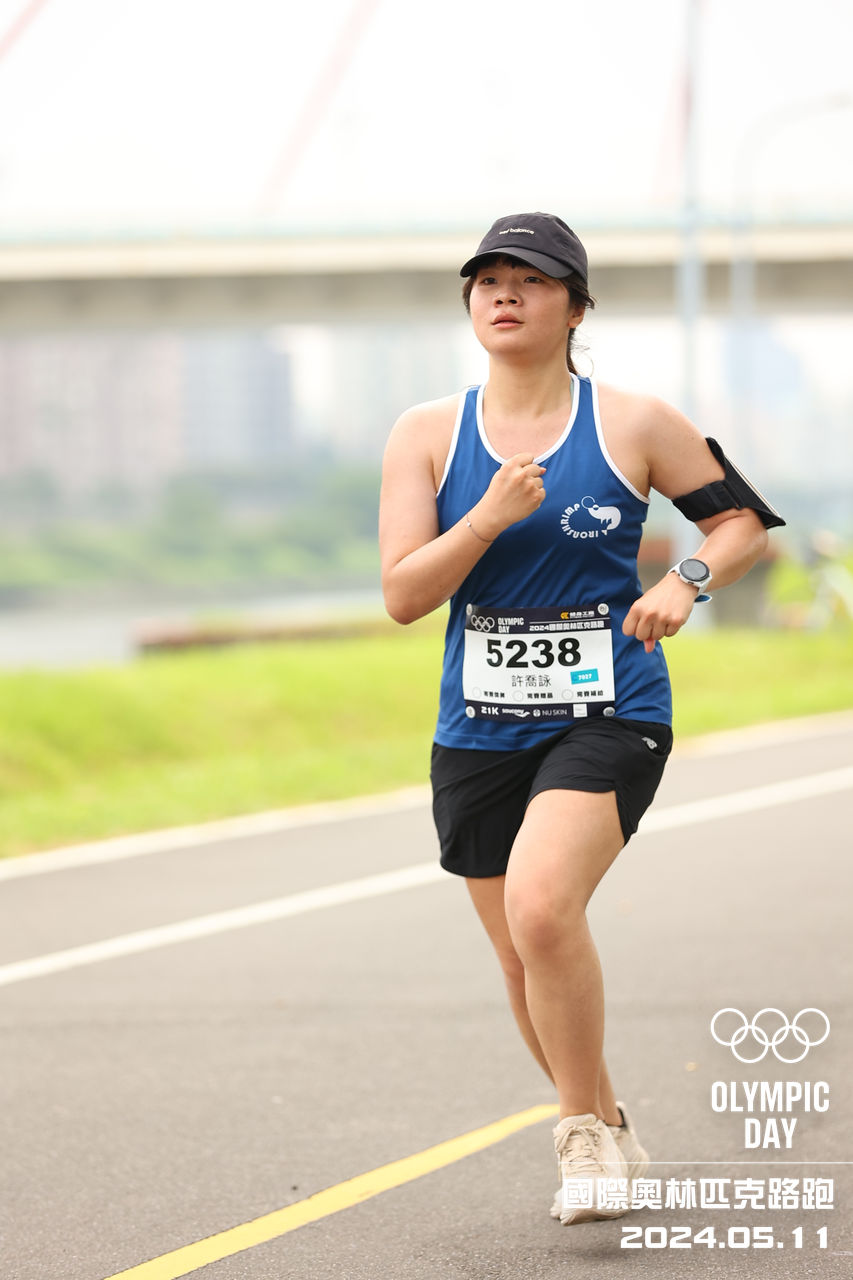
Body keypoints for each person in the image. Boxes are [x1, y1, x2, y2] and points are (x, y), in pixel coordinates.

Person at [378, 212, 784, 1225]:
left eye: (530, 279)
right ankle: (608, 1119)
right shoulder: (426, 434)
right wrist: (486, 517)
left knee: (542, 905)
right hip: (477, 727)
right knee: (523, 957)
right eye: (488, 280)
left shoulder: (633, 423)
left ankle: (578, 1138)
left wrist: (685, 580)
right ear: (470, 303)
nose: (504, 294)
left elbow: (740, 523)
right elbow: (402, 594)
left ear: (575, 306)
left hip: (611, 709)